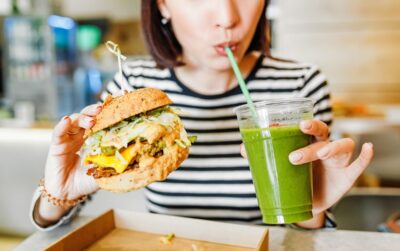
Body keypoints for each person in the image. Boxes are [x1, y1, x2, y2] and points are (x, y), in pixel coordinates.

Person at [31, 0, 374, 230]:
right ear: (163, 4)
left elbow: (308, 231)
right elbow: (52, 217)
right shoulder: (134, 85)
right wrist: (59, 192)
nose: (228, 17)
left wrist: (311, 208)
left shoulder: (301, 84)